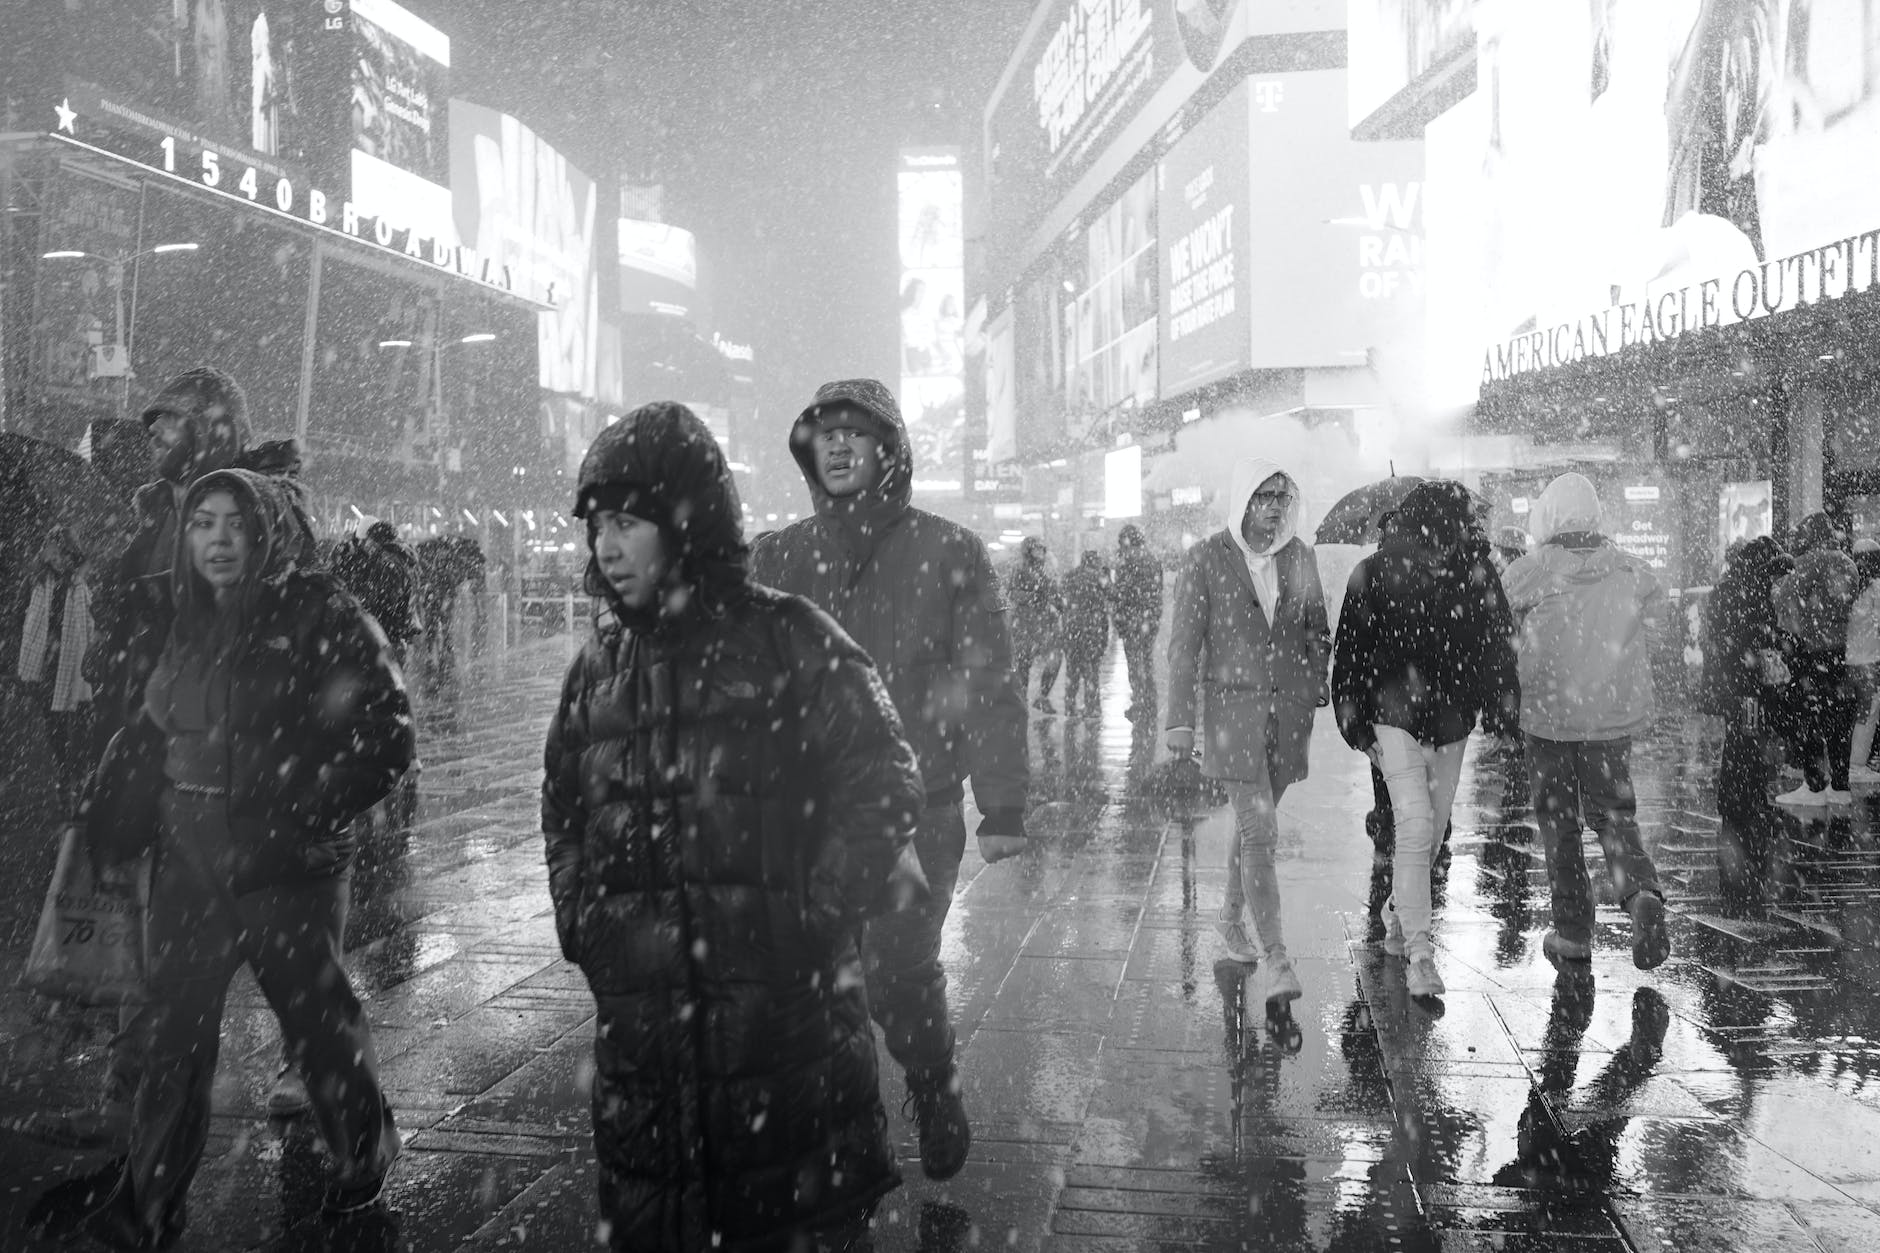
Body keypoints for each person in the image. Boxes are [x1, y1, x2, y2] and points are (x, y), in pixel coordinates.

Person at [544, 401, 924, 1251]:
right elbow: (563, 806)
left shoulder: (788, 640)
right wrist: (584, 920)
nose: (607, 547)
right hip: (645, 1066)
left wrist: (811, 915)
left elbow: (883, 779)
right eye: (598, 525)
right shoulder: (597, 672)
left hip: (788, 1050)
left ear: (685, 523)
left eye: (628, 522)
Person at [30, 468, 409, 1248]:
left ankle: (364, 1149)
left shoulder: (323, 612)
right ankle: (145, 1205)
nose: (219, 540)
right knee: (173, 1035)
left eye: (236, 523)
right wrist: (116, 796)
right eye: (202, 522)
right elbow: (154, 722)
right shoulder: (186, 614)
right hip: (188, 860)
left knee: (315, 1022)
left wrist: (304, 803)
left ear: (267, 531)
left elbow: (387, 732)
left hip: (285, 862)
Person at [751, 377, 1030, 1182]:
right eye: (825, 433)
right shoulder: (779, 557)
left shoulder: (950, 551)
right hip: (808, 815)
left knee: (896, 973)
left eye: (857, 432)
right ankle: (852, 1133)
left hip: (916, 811)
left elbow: (989, 682)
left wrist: (1002, 803)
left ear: (890, 449)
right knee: (816, 985)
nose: (838, 445)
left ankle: (932, 1080)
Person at [36, 366, 308, 1151]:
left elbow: (267, 603)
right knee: (150, 927)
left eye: (171, 423)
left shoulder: (264, 501)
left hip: (240, 754)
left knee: (272, 935)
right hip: (153, 744)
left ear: (213, 429)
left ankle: (311, 1059)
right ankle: (127, 1097)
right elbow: (132, 618)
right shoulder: (153, 508)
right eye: (153, 424)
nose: (153, 436)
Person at [1334, 480, 1519, 1000]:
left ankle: (1398, 912)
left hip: (1451, 720)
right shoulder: (1373, 572)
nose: (1444, 547)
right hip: (1393, 715)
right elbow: (1351, 651)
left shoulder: (1476, 571)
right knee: (1415, 826)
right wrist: (1355, 723)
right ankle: (1420, 953)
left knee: (1433, 833)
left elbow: (1497, 643)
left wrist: (1502, 709)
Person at [1165, 458, 1329, 1006]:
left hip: (1288, 716)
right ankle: (1278, 957)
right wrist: (1180, 720)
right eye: (1265, 496)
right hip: (1232, 718)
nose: (1275, 507)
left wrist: (1315, 682)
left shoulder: (1299, 556)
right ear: (1244, 499)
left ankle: (1230, 916)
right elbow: (1184, 646)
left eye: (1283, 497)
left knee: (1254, 826)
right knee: (1261, 830)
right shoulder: (1205, 558)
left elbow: (1317, 627)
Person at [1500, 473, 1670, 970]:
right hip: (1611, 721)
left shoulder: (1531, 571)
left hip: (1549, 719)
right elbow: (1659, 623)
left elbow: (1498, 618)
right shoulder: (1631, 570)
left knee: (1560, 825)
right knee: (1614, 817)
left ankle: (1573, 932)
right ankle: (1640, 893)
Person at [1773, 512, 1858, 806]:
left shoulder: (1809, 562)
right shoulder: (1847, 563)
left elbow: (1784, 598)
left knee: (1808, 714)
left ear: (1809, 535)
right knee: (1839, 719)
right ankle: (1841, 785)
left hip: (1812, 650)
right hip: (1841, 650)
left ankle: (1814, 786)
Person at [15, 525, 94, 810]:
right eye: (54, 555)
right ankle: (65, 775)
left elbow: (92, 621)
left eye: (64, 555)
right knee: (54, 722)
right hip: (47, 662)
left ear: (72, 554)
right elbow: (19, 618)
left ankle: (81, 774)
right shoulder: (37, 582)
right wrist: (40, 641)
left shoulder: (81, 584)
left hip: (75, 660)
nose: (59, 560)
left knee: (81, 719)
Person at [1111, 523, 1163, 722]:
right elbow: (1157, 590)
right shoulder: (1153, 558)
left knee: (1134, 663)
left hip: (1132, 619)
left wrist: (1120, 617)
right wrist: (1152, 616)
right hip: (1149, 620)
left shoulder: (1127, 561)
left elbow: (1121, 594)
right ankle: (1150, 703)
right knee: (1146, 661)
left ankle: (1139, 703)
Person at [1008, 536, 1065, 712]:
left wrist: (1059, 602)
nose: (1039, 552)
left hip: (1045, 623)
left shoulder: (1047, 569)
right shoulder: (1019, 569)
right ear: (1028, 551)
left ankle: (1042, 696)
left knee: (1054, 659)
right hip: (1024, 623)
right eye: (1036, 549)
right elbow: (1012, 593)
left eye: (1041, 549)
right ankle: (1021, 700)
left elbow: (1054, 592)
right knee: (1023, 665)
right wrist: (1032, 596)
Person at [1060, 549, 1111, 718]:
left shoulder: (1069, 576)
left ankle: (1070, 706)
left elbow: (1062, 600)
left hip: (1071, 630)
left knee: (1072, 670)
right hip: (1092, 631)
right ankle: (1092, 707)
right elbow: (1113, 595)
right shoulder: (1099, 577)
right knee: (1091, 670)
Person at [1847, 539, 1880, 784]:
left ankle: (1850, 762)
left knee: (1855, 713)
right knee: (1868, 713)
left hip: (1849, 660)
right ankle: (1857, 765)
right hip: (1871, 659)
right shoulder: (1876, 588)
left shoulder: (1847, 585)